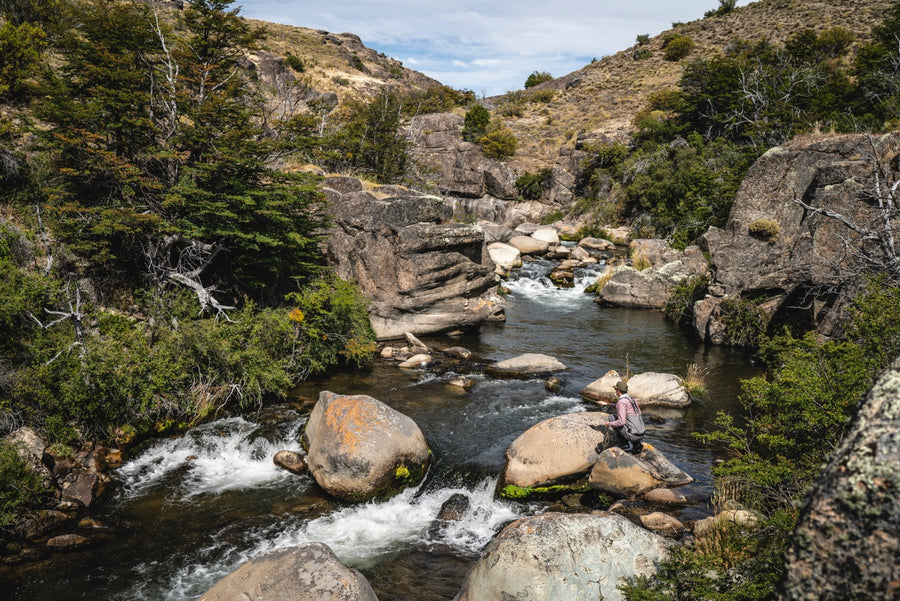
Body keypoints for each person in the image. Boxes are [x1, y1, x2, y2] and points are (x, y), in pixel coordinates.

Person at [596, 380, 644, 454]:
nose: (615, 391)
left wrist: (609, 424)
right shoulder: (632, 399)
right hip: (641, 434)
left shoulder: (621, 401)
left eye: (616, 389)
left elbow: (621, 422)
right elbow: (622, 407)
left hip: (633, 436)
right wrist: (607, 404)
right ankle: (636, 445)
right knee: (632, 422)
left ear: (618, 390)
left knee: (612, 417)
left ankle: (624, 444)